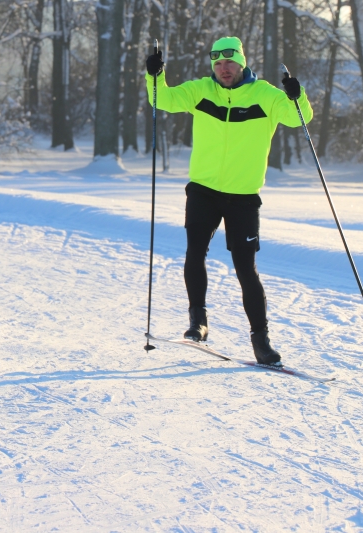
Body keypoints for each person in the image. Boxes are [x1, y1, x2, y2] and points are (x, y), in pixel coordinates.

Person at [144, 36, 313, 365]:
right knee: (195, 253)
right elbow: (161, 99)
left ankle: (261, 341)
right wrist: (154, 75)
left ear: (242, 62)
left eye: (229, 62)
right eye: (218, 63)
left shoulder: (264, 95)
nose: (223, 69)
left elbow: (298, 118)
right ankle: (198, 323)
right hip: (203, 190)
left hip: (243, 196)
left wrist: (298, 96)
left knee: (245, 269)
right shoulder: (200, 90)